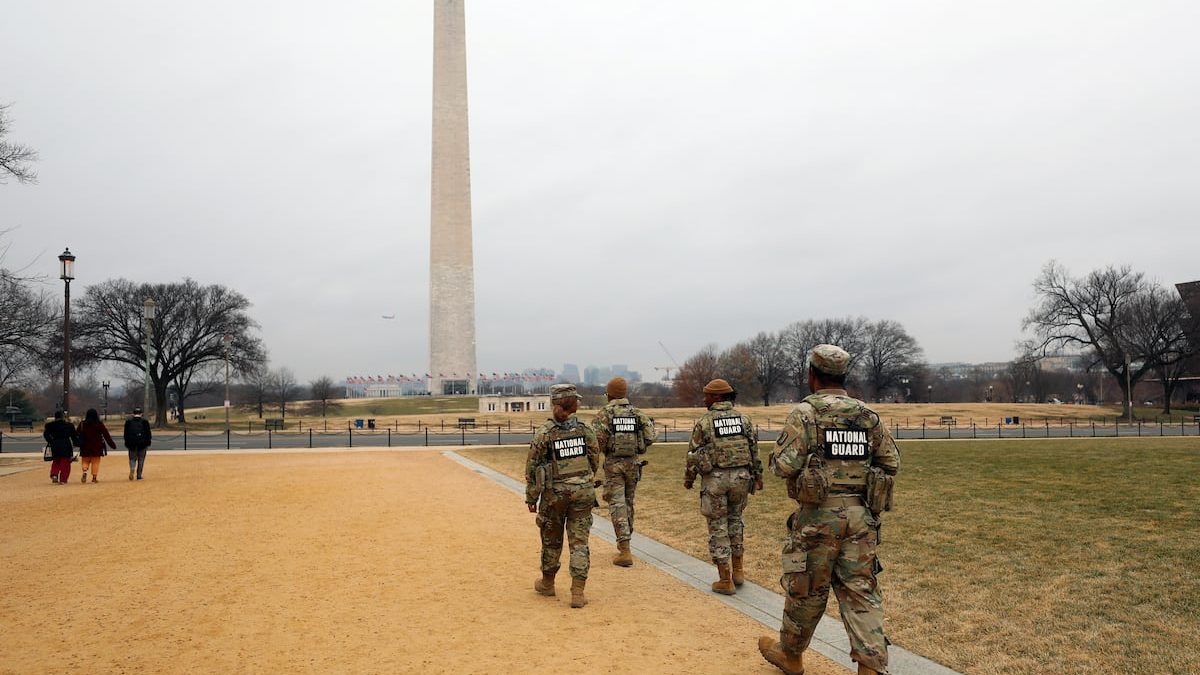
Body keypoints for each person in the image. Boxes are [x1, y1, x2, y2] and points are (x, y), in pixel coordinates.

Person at [758, 344, 901, 675]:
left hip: (817, 519)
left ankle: (791, 655)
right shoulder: (867, 416)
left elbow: (784, 465)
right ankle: (870, 667)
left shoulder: (806, 414)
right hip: (862, 518)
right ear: (843, 376)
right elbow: (892, 460)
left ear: (812, 375)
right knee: (861, 591)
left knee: (804, 586)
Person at [525, 383, 600, 608]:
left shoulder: (545, 433)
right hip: (583, 492)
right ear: (574, 404)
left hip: (554, 496)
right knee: (579, 543)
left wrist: (531, 498)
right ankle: (578, 592)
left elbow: (532, 468)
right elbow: (594, 458)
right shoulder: (585, 429)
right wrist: (582, 481)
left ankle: (548, 584)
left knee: (551, 539)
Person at [684, 378, 762, 595]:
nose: (704, 399)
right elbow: (754, 450)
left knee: (718, 527)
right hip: (741, 478)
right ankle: (738, 571)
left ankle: (724, 579)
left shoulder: (705, 422)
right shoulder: (744, 420)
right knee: (736, 521)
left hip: (715, 480)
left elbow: (693, 455)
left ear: (717, 397)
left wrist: (689, 479)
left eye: (707, 395)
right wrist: (758, 476)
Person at [591, 376, 657, 567]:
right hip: (633, 464)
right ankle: (626, 543)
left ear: (610, 394)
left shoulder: (606, 413)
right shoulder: (637, 413)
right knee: (628, 503)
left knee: (617, 503)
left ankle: (624, 549)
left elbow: (597, 441)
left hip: (614, 464)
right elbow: (651, 436)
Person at [77, 408, 116, 483]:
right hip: (97, 446)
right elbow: (106, 435)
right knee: (95, 462)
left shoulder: (82, 424)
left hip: (85, 446)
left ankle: (85, 471)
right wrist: (112, 445)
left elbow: (77, 433)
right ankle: (94, 477)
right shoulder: (99, 424)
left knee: (85, 461)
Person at [43, 410, 79, 485]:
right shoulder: (69, 425)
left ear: (55, 417)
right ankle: (63, 479)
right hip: (66, 444)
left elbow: (46, 435)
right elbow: (74, 436)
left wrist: (51, 441)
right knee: (65, 462)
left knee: (56, 461)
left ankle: (54, 474)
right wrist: (78, 443)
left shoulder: (50, 425)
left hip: (55, 444)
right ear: (63, 417)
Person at [122, 408, 152, 481]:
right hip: (142, 443)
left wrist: (127, 442)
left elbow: (125, 434)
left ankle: (132, 468)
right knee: (141, 459)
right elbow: (148, 434)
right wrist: (148, 442)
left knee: (132, 458)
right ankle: (139, 475)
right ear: (141, 414)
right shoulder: (145, 422)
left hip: (132, 443)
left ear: (133, 414)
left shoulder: (128, 422)